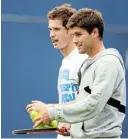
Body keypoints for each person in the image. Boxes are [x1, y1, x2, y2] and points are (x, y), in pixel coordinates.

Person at [27, 8, 126, 139]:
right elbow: (82, 103)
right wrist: (73, 128)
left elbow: (92, 105)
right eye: (73, 35)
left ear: (95, 32)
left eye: (78, 35)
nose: (74, 40)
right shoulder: (88, 63)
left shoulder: (106, 63)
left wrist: (52, 112)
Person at [27, 4, 87, 138]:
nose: (51, 35)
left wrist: (49, 110)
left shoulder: (83, 61)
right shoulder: (65, 63)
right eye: (50, 29)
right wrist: (51, 115)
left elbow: (88, 103)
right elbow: (70, 106)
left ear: (71, 31)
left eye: (56, 29)